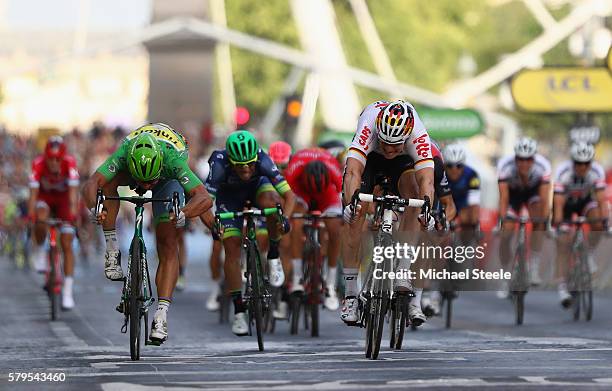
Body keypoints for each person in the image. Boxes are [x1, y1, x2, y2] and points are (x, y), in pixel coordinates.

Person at [82, 123, 214, 344]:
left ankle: (161, 315)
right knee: (106, 187)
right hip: (133, 166)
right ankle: (112, 251)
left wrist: (184, 213)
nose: (143, 186)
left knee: (168, 242)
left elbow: (204, 197)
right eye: (140, 182)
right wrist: (95, 208)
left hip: (167, 180)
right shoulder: (124, 153)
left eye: (149, 182)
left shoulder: (174, 161)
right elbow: (91, 183)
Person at [341, 100, 435, 327]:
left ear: (407, 136)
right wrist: (349, 204)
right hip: (370, 159)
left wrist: (427, 210)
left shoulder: (418, 134)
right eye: (386, 144)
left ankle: (403, 269)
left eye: (395, 146)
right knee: (356, 213)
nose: (390, 150)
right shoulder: (369, 123)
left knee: (414, 195)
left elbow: (427, 181)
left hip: (404, 164)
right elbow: (353, 171)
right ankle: (351, 295)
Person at [205, 130, 296, 336]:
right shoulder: (219, 165)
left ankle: (273, 254)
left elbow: (289, 196)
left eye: (250, 164)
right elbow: (205, 202)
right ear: (231, 161)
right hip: (229, 198)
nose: (246, 169)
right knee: (231, 247)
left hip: (258, 189)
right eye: (240, 166)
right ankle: (238, 311)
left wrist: (285, 219)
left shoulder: (263, 160)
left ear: (256, 158)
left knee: (273, 204)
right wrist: (212, 224)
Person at [284, 148, 343, 311]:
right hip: (301, 192)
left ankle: (330, 283)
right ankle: (297, 276)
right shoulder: (294, 169)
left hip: (327, 194)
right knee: (296, 224)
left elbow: (343, 196)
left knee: (335, 232)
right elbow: (284, 195)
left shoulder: (333, 170)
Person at [552, 142, 608, 308]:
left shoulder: (597, 171)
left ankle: (588, 254)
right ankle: (562, 287)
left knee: (597, 221)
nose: (583, 167)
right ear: (573, 162)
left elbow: (601, 200)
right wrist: (560, 224)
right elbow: (558, 203)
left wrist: (605, 222)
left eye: (586, 163)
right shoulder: (564, 171)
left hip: (585, 202)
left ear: (591, 162)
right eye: (578, 163)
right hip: (566, 205)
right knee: (563, 242)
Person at [28, 136, 80, 310]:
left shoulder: (70, 163)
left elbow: (73, 195)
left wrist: (72, 216)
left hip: (64, 200)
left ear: (63, 157)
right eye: (50, 159)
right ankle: (39, 250)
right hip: (45, 198)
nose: (54, 163)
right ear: (45, 157)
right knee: (40, 215)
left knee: (66, 241)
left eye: (58, 159)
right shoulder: (38, 164)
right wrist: (31, 216)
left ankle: (67, 292)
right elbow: (33, 195)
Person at [497, 136, 551, 295]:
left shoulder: (543, 166)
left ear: (534, 159)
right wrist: (502, 220)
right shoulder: (505, 166)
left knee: (539, 217)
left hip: (533, 194)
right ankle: (505, 275)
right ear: (515, 158)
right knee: (506, 231)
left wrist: (544, 222)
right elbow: (504, 198)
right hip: (513, 195)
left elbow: (545, 199)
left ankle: (533, 265)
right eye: (520, 159)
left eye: (528, 160)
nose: (524, 164)